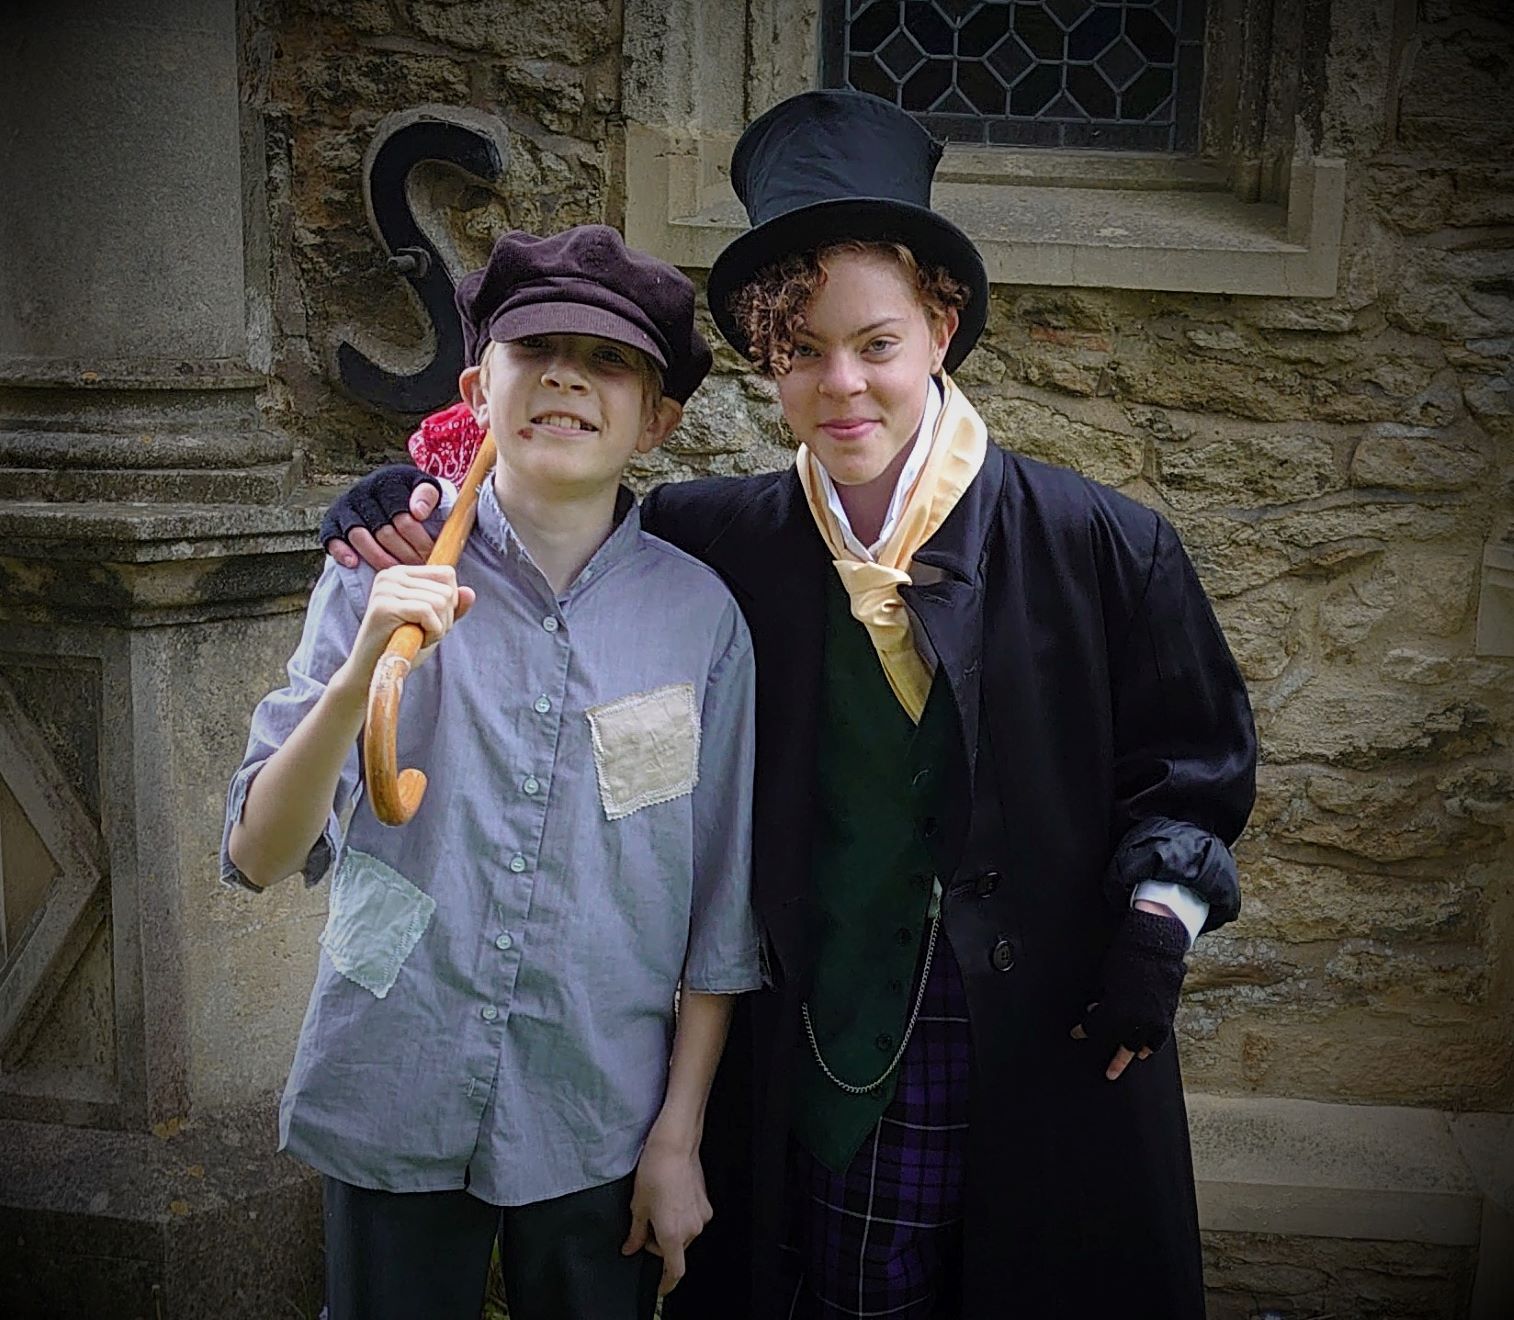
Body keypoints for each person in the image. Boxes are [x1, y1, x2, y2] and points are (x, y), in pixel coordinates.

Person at [323, 91, 1257, 1320]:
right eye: (802, 350)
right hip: (810, 1043)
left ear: (939, 326)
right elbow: (552, 533)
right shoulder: (715, 541)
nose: (842, 383)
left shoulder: (1104, 545)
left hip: (1041, 1040)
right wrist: (410, 484)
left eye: (875, 343)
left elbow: (1189, 768)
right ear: (766, 362)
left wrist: (1158, 920)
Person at [224, 224, 762, 1320]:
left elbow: (717, 909)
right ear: (480, 385)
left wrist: (677, 1136)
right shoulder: (379, 573)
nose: (566, 373)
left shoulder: (700, 621)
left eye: (608, 358)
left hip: (596, 1114)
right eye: (536, 347)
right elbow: (258, 851)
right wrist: (361, 666)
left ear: (656, 420)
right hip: (392, 1078)